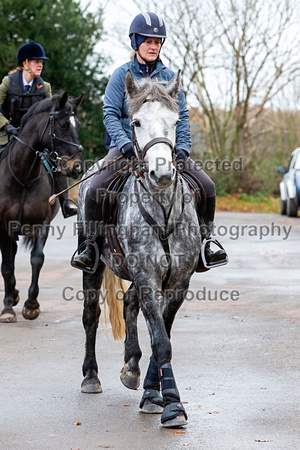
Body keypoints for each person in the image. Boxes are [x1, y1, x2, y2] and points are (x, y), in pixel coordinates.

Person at [73, 12, 227, 271]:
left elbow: (184, 116)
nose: (154, 46)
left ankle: (207, 242)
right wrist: (123, 145)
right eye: (148, 41)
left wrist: (183, 149)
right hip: (126, 149)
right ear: (135, 42)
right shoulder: (120, 75)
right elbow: (110, 113)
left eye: (158, 41)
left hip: (166, 149)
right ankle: (90, 245)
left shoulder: (169, 77)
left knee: (207, 186)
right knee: (95, 188)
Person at [0, 41, 77, 218]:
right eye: (36, 61)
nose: (41, 65)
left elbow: (52, 115)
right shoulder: (7, 83)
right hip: (8, 135)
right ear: (25, 63)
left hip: (35, 141)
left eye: (41, 62)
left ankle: (65, 203)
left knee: (57, 162)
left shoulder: (45, 87)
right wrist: (7, 125)